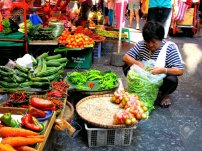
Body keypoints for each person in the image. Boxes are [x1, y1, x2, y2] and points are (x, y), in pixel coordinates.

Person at [122, 21, 184, 107]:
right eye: (148, 41)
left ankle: (163, 94)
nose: (150, 45)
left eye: (154, 42)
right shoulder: (141, 44)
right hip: (143, 77)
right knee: (126, 66)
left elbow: (180, 70)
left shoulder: (169, 48)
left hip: (160, 79)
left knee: (172, 79)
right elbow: (125, 57)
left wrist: (162, 70)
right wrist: (137, 64)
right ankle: (137, 89)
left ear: (161, 39)